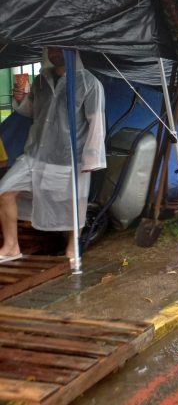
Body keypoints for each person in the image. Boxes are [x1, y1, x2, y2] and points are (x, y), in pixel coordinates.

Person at [0, 48, 105, 265]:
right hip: (35, 155)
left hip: (67, 157)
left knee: (72, 204)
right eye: (51, 49)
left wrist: (92, 158)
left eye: (60, 48)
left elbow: (96, 123)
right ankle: (11, 247)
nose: (55, 53)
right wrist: (20, 98)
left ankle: (72, 249)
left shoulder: (88, 83)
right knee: (4, 191)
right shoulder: (41, 80)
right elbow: (29, 111)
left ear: (73, 51)